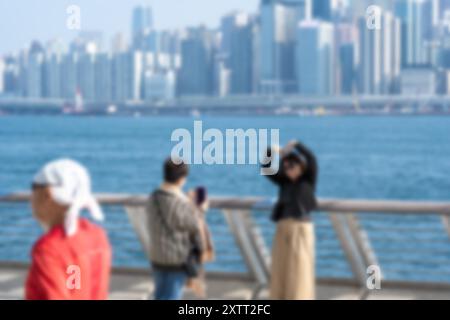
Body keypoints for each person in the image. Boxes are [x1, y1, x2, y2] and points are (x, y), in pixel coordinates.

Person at [25, 159, 112, 300]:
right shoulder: (96, 235)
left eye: (33, 187)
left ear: (48, 194)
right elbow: (75, 285)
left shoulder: (49, 248)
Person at [146, 158, 213, 300]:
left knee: (160, 295)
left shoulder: (153, 197)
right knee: (171, 296)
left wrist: (187, 201)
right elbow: (192, 223)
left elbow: (174, 216)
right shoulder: (176, 201)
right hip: (175, 260)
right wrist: (201, 208)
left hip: (157, 257)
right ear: (182, 179)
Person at [262, 140, 318, 300]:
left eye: (292, 166)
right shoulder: (283, 182)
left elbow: (312, 158)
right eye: (285, 167)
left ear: (300, 165)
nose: (288, 170)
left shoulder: (308, 179)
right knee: (280, 269)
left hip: (301, 228)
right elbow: (266, 170)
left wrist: (296, 145)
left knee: (300, 271)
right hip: (283, 227)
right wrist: (271, 152)